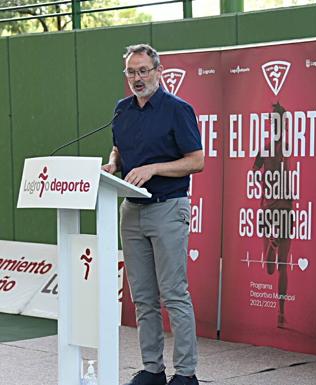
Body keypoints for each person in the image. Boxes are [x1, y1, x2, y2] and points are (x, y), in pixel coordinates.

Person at [102, 43, 204, 385]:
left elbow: (196, 161)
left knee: (174, 293)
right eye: (131, 72)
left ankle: (186, 374)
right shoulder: (121, 110)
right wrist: (113, 164)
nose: (137, 78)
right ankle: (152, 369)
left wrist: (154, 168)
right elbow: (118, 147)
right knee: (142, 297)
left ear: (158, 71)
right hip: (131, 210)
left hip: (168, 208)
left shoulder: (178, 110)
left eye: (143, 70)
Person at [252, 102, 293, 328]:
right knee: (270, 267)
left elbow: (254, 169)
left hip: (285, 206)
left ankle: (281, 313)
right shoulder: (266, 146)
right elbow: (254, 168)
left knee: (282, 265)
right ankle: (272, 244)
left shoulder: (290, 146)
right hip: (269, 205)